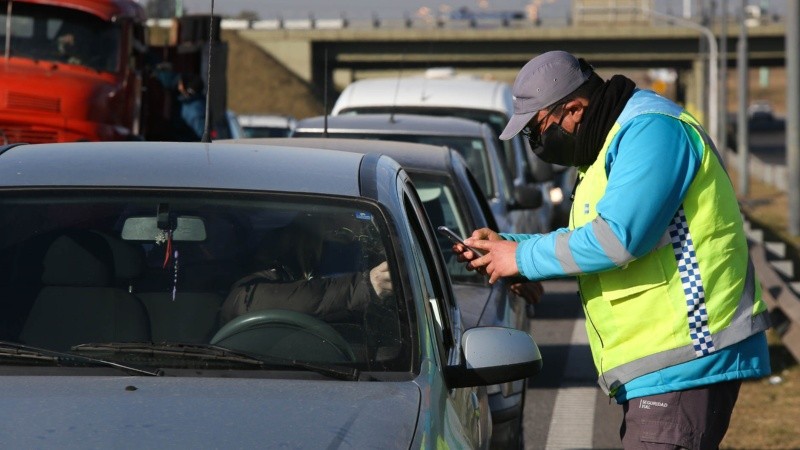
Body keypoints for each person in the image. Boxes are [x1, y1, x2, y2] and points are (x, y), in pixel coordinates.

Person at [453, 50, 771, 449]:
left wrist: (519, 258)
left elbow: (618, 240)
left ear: (574, 109)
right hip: (663, 366)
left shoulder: (652, 131)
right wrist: (512, 250)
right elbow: (588, 238)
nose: (536, 142)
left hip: (690, 357)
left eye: (537, 129)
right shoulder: (607, 146)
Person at [220, 221, 392, 324]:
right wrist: (368, 285)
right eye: (341, 235)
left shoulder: (327, 299)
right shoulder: (248, 292)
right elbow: (303, 300)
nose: (354, 244)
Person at [174, 73, 207, 141]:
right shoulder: (185, 102)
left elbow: (201, 135)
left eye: (180, 84)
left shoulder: (196, 109)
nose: (179, 87)